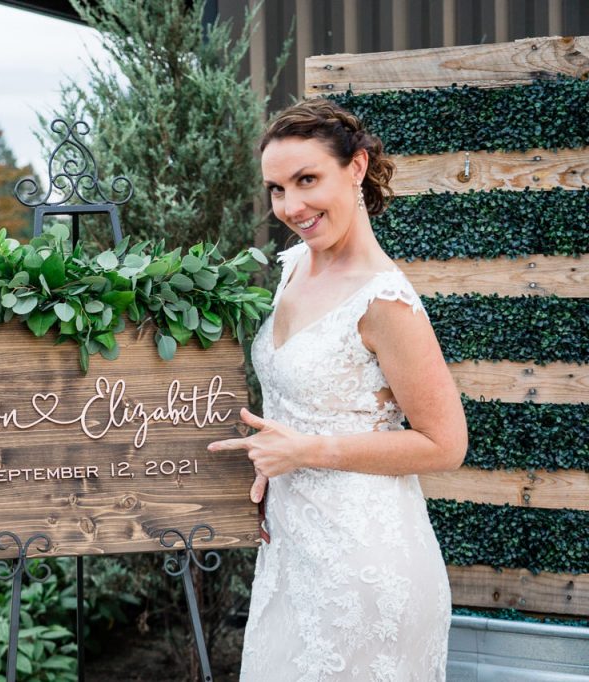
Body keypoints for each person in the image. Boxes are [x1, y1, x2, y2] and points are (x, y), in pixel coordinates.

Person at [208, 98, 467, 681]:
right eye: (276, 189)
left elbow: (446, 444)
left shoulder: (385, 302)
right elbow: (300, 402)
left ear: (355, 168)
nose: (290, 206)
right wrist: (271, 461)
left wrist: (307, 451)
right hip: (293, 556)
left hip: (366, 569)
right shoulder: (294, 266)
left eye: (307, 180)